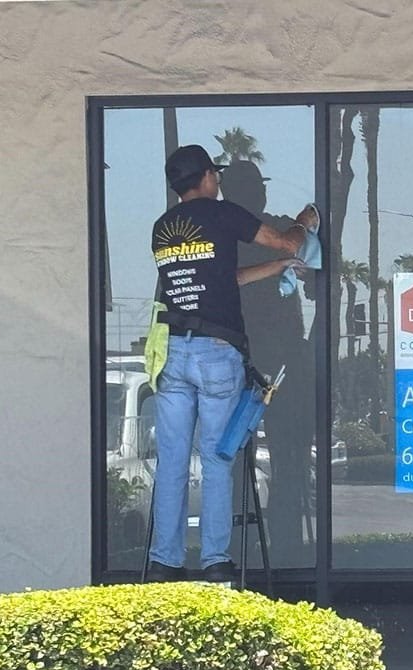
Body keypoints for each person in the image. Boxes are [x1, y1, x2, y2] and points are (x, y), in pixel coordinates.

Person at [146, 144, 318, 583]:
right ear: (206, 176)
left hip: (174, 353)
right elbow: (287, 239)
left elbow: (225, 279)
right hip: (215, 353)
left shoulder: (163, 228)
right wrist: (304, 223)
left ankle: (165, 560)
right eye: (215, 174)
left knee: (172, 461)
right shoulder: (223, 214)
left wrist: (276, 267)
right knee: (217, 457)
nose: (218, 180)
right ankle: (215, 561)